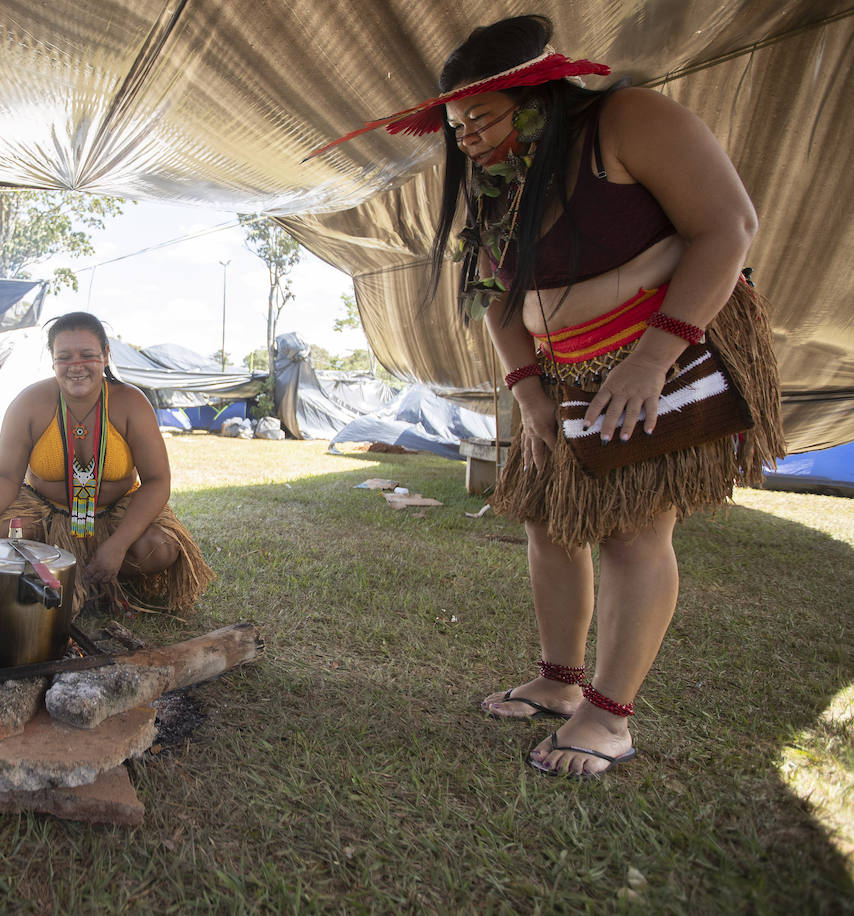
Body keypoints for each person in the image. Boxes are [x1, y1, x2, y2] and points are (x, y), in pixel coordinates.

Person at [321, 15, 784, 776]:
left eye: (480, 117)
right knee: (550, 521)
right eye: (456, 124)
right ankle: (560, 682)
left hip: (659, 348)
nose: (465, 137)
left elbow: (730, 227)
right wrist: (528, 392)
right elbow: (495, 295)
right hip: (560, 371)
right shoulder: (499, 175)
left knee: (633, 531)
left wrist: (654, 355)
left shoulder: (629, 120)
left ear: (538, 93)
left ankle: (610, 716)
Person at [0, 311, 214, 617]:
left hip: (114, 518)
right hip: (47, 516)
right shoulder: (29, 403)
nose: (76, 366)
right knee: (8, 533)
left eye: (87, 355)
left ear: (106, 356)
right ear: (53, 360)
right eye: (65, 357)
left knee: (159, 547)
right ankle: (70, 583)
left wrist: (119, 544)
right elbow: (5, 475)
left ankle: (107, 580)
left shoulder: (131, 404)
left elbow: (157, 480)